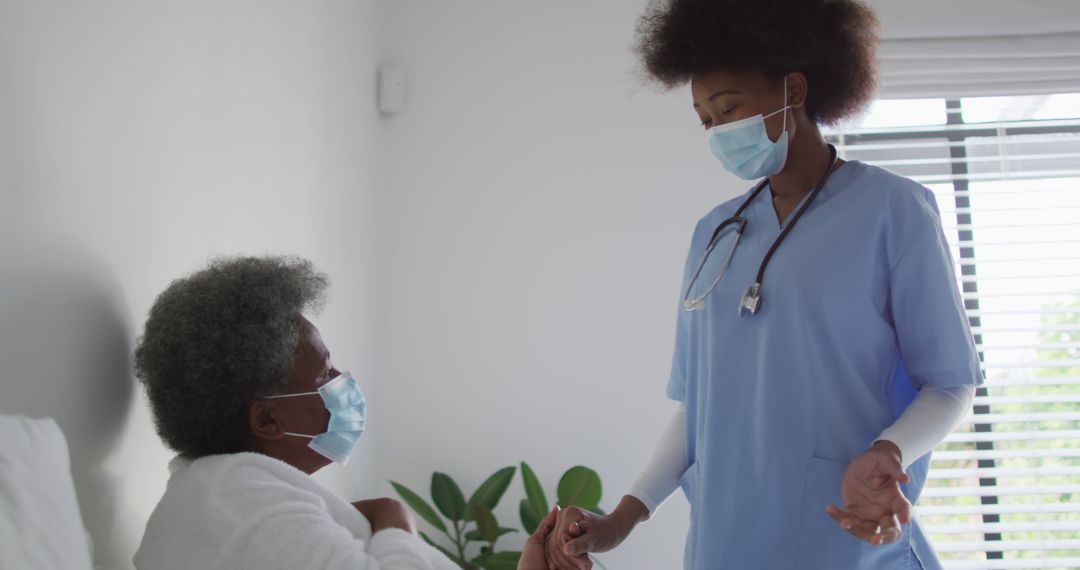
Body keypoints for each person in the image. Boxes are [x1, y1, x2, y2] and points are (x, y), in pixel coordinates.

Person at [544, 1, 982, 568]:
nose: (719, 130)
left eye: (729, 107)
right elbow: (695, 411)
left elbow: (949, 385)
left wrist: (888, 451)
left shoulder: (893, 211)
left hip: (847, 541)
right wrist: (624, 518)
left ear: (793, 90)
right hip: (725, 546)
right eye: (705, 119)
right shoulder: (715, 234)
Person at [132, 256, 573, 570]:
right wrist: (392, 515)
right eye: (324, 373)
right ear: (267, 420)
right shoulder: (243, 510)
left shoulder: (238, 496)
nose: (342, 379)